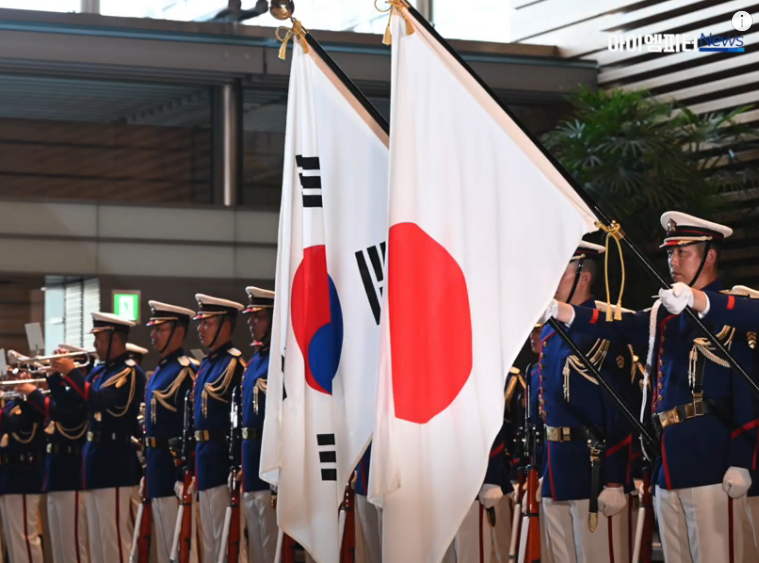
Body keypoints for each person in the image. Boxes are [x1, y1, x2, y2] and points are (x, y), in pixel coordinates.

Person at [543, 212, 757, 563]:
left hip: (713, 462)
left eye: (682, 252)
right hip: (668, 463)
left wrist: (741, 460)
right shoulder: (665, 313)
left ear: (710, 256)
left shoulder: (732, 307)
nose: (673, 261)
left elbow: (745, 391)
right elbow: (621, 325)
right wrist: (566, 313)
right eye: (670, 253)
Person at [537, 241, 632, 563]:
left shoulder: (604, 328)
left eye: (560, 272)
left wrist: (615, 479)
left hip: (592, 467)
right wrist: (545, 470)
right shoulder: (550, 330)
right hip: (557, 468)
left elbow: (619, 408)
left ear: (584, 276)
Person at [51, 312, 146, 563]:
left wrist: (72, 372)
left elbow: (101, 401)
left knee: (113, 539)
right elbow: (68, 405)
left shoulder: (129, 372)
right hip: (94, 461)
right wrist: (54, 377)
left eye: (100, 339)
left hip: (114, 462)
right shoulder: (99, 372)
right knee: (97, 544)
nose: (95, 344)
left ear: (115, 339)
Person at [17, 344, 93, 563]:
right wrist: (51, 376)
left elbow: (63, 412)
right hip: (56, 474)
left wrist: (35, 392)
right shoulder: (66, 394)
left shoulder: (80, 396)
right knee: (59, 547)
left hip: (72, 474)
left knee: (73, 548)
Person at [192, 294, 246, 563]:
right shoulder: (206, 365)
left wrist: (237, 463)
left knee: (229, 543)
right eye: (200, 323)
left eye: (208, 323)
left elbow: (239, 419)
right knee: (211, 545)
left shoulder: (234, 365)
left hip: (223, 463)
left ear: (225, 325)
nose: (200, 329)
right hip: (205, 461)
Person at [143, 301, 198, 563]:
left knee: (179, 548)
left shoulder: (185, 371)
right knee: (164, 549)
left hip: (172, 469)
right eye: (153, 329)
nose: (153, 335)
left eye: (160, 329)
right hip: (156, 467)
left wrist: (183, 470)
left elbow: (188, 426)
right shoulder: (162, 370)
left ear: (178, 332)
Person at [240, 287, 279, 563]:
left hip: (269, 461)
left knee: (271, 541)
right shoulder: (253, 363)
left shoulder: (282, 360)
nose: (252, 323)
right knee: (255, 542)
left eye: (260, 317)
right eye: (251, 317)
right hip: (250, 458)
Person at [0, 371, 46, 563]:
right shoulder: (11, 405)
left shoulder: (31, 407)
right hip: (8, 476)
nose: (14, 379)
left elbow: (18, 428)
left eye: (21, 374)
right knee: (13, 540)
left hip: (23, 475)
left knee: (25, 538)